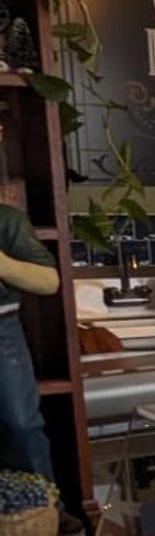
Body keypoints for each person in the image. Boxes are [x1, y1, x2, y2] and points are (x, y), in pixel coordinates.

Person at [0, 201, 58, 484]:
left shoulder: (7, 220)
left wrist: (2, 264)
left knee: (21, 421)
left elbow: (49, 281)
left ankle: (44, 506)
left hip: (2, 329)